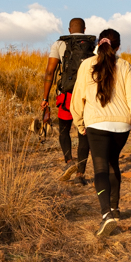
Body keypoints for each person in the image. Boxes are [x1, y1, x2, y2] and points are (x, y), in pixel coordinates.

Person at [70, 28, 131, 238]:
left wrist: (78, 122)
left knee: (100, 169)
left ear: (98, 43)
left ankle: (106, 215)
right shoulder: (125, 66)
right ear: (118, 46)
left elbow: (77, 98)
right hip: (121, 127)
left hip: (96, 125)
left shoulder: (87, 65)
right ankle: (115, 208)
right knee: (113, 162)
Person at [42, 18, 96, 183]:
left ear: (69, 29)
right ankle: (80, 174)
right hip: (87, 95)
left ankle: (69, 161)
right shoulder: (93, 45)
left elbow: (50, 71)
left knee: (64, 130)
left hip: (67, 95)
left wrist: (45, 98)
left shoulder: (59, 44)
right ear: (84, 29)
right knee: (83, 133)